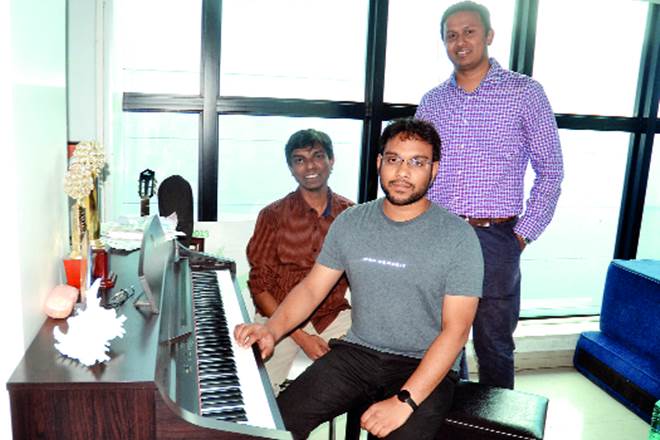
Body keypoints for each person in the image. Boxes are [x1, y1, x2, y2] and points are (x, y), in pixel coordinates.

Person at [235, 118, 484, 439]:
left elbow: (456, 330)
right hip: (358, 353)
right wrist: (271, 330)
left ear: (434, 169)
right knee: (276, 426)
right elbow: (311, 289)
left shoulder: (458, 236)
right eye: (393, 159)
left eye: (417, 162)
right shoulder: (352, 221)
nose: (402, 172)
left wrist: (405, 401)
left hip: (422, 362)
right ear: (379, 163)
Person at [415, 1, 564, 389]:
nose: (460, 41)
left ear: (489, 36)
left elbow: (551, 170)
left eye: (469, 32)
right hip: (439, 234)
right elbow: (418, 168)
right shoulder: (433, 101)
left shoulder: (524, 92)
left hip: (496, 237)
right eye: (451, 35)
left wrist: (521, 235)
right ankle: (448, 416)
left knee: (494, 344)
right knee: (442, 340)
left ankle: (496, 420)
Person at [245, 128, 354, 395]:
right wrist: (302, 337)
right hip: (278, 314)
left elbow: (363, 279)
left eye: (317, 156)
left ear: (331, 160)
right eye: (300, 160)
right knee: (257, 391)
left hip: (333, 316)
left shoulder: (351, 215)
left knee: (366, 371)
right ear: (291, 168)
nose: (310, 166)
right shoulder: (272, 216)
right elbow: (260, 289)